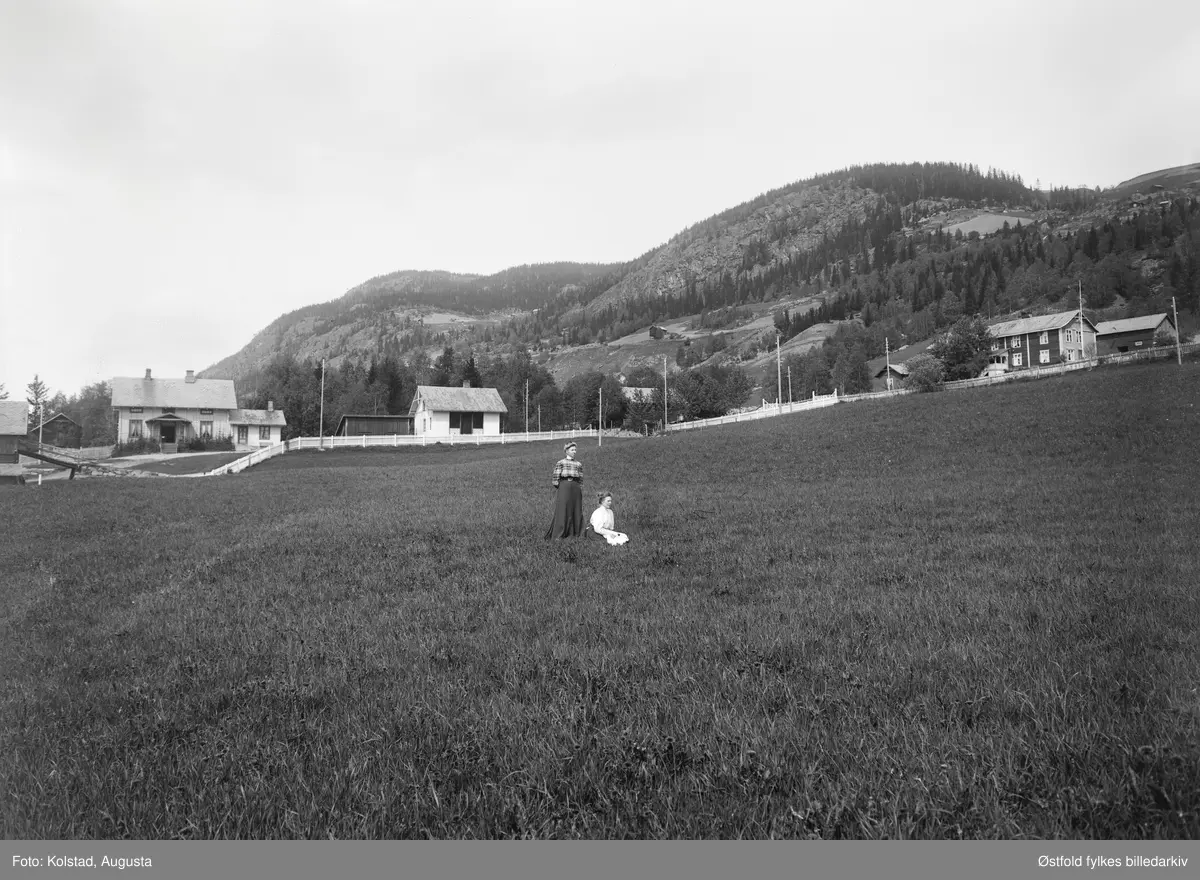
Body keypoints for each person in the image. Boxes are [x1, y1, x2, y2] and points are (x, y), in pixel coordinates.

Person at [545, 441, 585, 539]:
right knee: (563, 508)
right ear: (566, 451)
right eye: (572, 450)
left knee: (576, 508)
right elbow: (555, 477)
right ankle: (560, 533)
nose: (574, 452)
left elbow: (581, 478)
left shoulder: (578, 464)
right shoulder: (561, 463)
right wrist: (561, 485)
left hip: (576, 487)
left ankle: (576, 532)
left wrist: (579, 487)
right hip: (564, 486)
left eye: (575, 450)